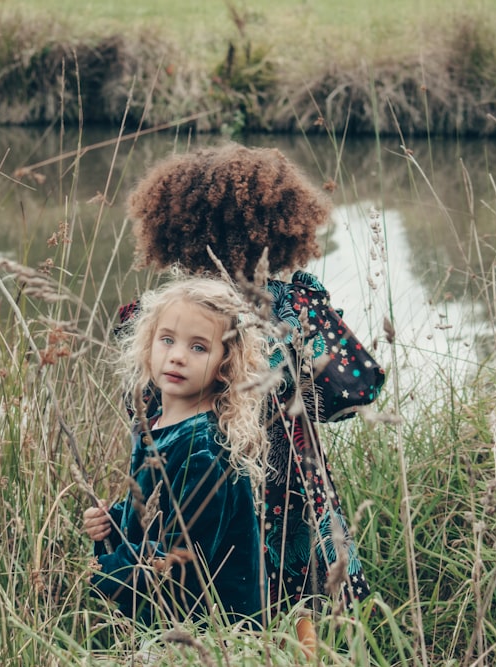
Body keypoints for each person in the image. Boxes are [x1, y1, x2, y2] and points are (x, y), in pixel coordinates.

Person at [124, 143, 386, 642]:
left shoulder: (164, 311)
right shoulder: (292, 306)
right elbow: (357, 391)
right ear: (281, 228)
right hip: (292, 486)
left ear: (175, 230)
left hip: (195, 489)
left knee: (204, 606)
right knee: (307, 601)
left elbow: (140, 407)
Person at [82, 276, 269, 629]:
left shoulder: (204, 448)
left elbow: (182, 561)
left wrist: (105, 572)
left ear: (225, 363)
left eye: (199, 347)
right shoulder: (158, 426)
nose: (178, 356)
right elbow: (160, 515)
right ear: (148, 345)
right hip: (172, 624)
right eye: (167, 340)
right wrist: (113, 526)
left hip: (216, 635)